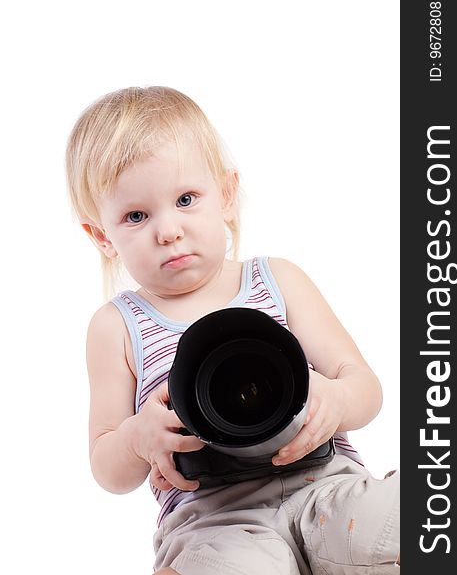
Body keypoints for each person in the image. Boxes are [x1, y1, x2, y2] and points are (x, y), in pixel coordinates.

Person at [66, 86, 400, 575]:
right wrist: (137, 438)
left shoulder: (277, 280)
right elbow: (107, 468)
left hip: (328, 487)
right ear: (102, 234)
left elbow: (364, 387)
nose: (168, 231)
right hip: (216, 520)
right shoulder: (117, 326)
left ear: (224, 195)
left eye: (185, 199)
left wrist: (338, 400)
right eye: (136, 215)